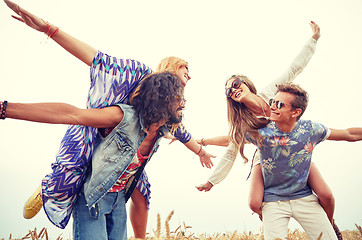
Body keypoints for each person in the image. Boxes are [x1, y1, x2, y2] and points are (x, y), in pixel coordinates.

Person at [4, 0, 215, 235]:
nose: (187, 85)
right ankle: (52, 184)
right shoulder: (135, 83)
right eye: (184, 74)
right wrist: (50, 30)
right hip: (94, 149)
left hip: (119, 186)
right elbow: (95, 63)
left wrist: (200, 151)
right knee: (74, 165)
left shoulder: (167, 122)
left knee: (142, 193)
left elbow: (184, 134)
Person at [1, 72, 186, 240]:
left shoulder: (162, 130)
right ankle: (48, 185)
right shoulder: (123, 117)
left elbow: (188, 138)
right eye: (178, 98)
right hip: (92, 198)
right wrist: (5, 109)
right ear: (162, 99)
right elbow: (72, 115)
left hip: (119, 201)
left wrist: (201, 150)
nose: (183, 103)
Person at [203, 82, 362, 239]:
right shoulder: (260, 133)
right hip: (273, 202)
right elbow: (230, 140)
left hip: (304, 198)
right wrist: (200, 143)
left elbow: (348, 134)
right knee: (253, 203)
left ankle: (330, 225)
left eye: (279, 105)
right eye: (272, 101)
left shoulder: (310, 129)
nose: (271, 106)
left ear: (295, 112)